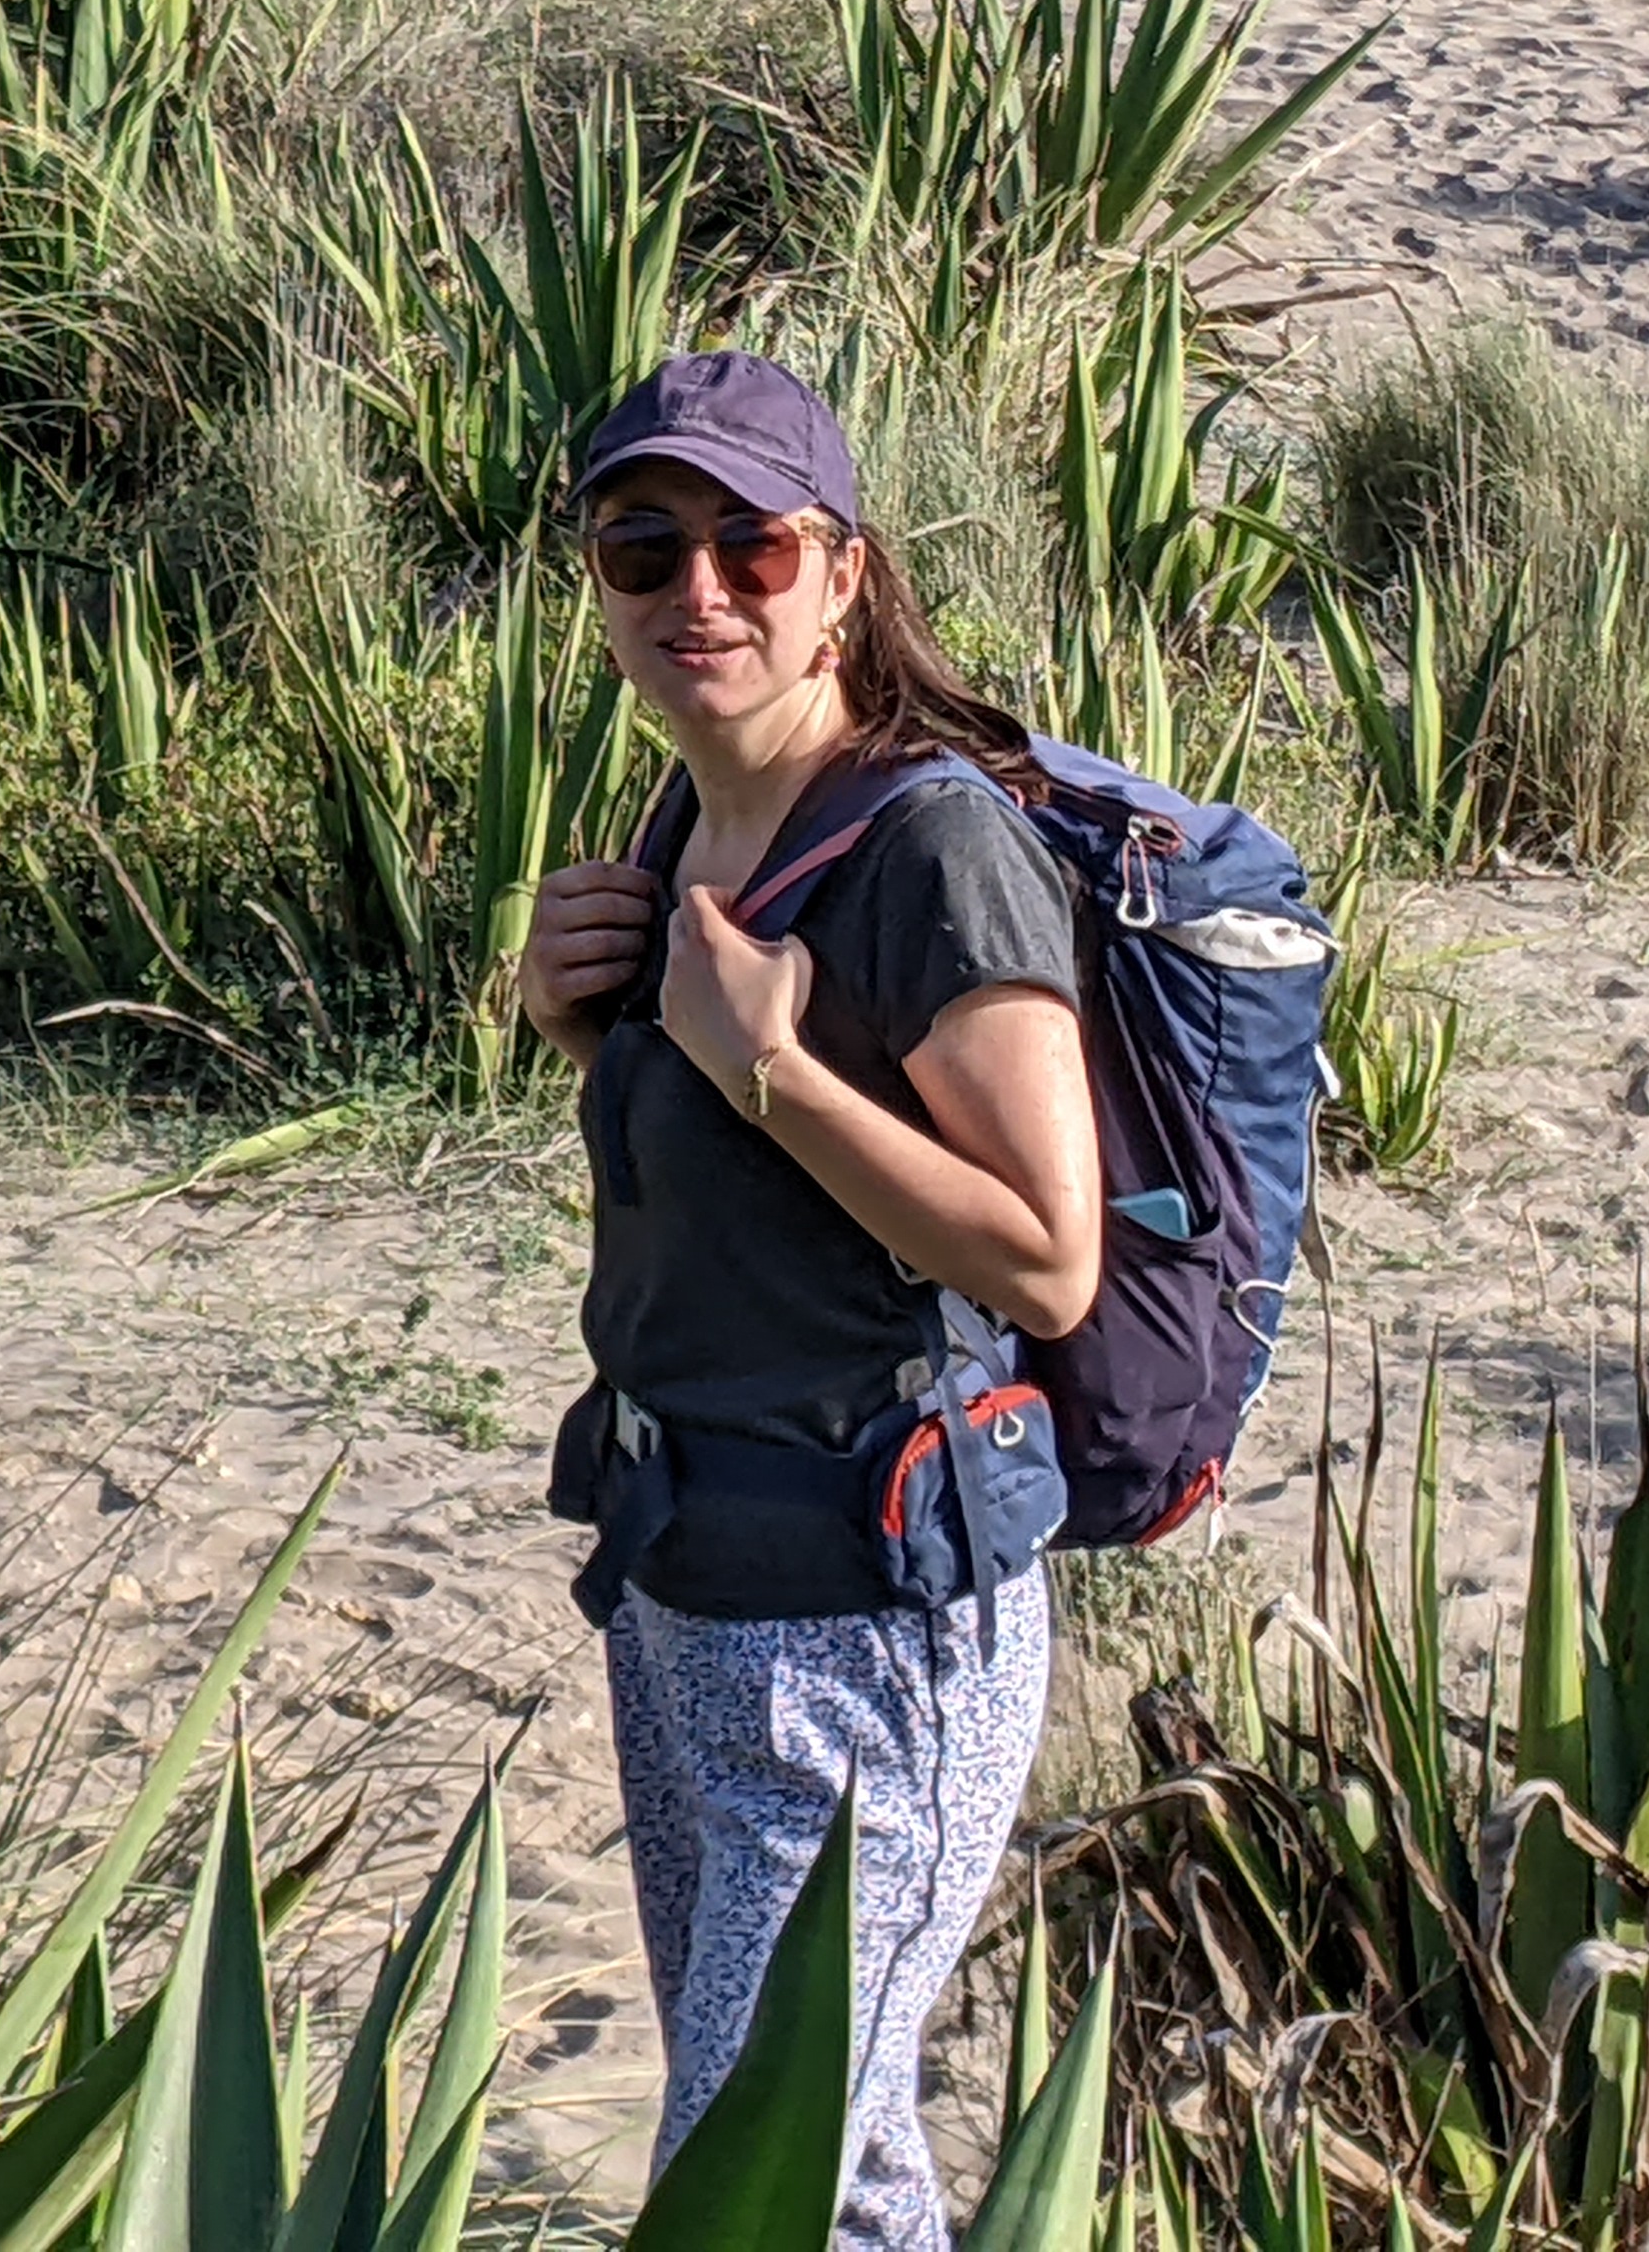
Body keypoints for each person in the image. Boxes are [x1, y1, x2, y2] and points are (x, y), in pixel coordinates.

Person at [517, 350, 1103, 2252]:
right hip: (684, 1580)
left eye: (754, 546)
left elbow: (1048, 1255)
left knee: (761, 2182)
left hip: (870, 1620)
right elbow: (735, 1212)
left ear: (842, 577)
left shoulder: (935, 847)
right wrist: (590, 1023)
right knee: (822, 2166)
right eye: (644, 545)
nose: (699, 589)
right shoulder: (689, 819)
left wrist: (771, 1070)